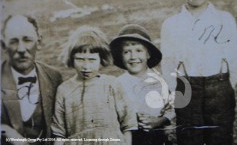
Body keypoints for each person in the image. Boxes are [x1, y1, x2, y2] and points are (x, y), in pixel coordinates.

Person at [160, 0, 237, 145]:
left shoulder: (224, 19)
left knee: (220, 137)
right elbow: (168, 61)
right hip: (186, 89)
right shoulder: (171, 24)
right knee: (189, 137)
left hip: (219, 87)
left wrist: (226, 85)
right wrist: (175, 91)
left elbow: (234, 58)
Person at [51, 26, 137, 144]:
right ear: (71, 58)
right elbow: (59, 133)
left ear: (101, 59)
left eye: (92, 60)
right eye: (80, 59)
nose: (86, 66)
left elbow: (127, 124)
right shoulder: (64, 90)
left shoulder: (112, 84)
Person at [1, 15, 63, 144]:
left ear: (39, 42)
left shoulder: (54, 77)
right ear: (3, 45)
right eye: (13, 41)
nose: (22, 49)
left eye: (27, 40)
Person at [110, 24, 175, 145]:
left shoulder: (161, 81)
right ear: (121, 56)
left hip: (157, 135)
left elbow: (171, 108)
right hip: (129, 137)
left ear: (148, 54)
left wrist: (160, 120)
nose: (133, 57)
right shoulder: (117, 84)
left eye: (138, 51)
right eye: (127, 52)